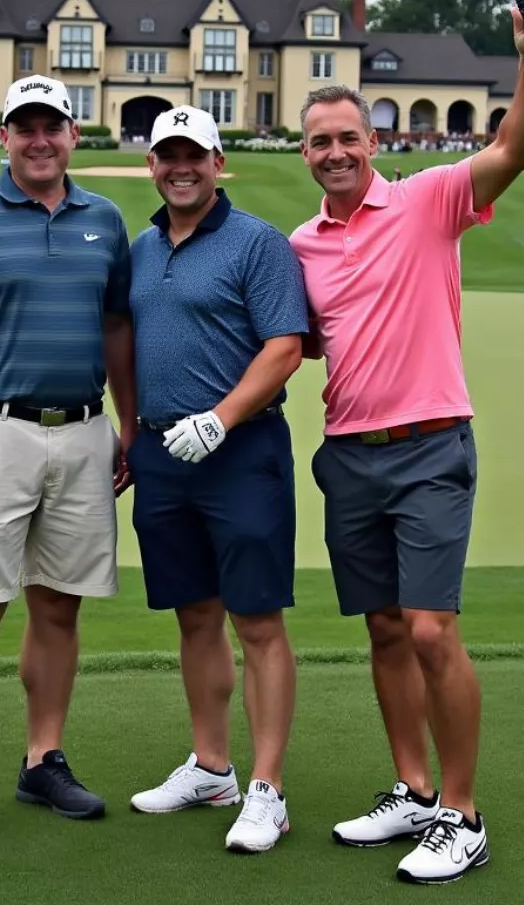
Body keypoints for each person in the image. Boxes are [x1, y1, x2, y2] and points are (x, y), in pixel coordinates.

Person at [288, 7, 524, 885]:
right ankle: (409, 789)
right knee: (382, 629)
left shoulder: (429, 199)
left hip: (431, 444)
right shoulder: (301, 246)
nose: (334, 152)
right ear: (306, 154)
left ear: (372, 142)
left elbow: (515, 149)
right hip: (348, 451)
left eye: (346, 138)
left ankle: (461, 811)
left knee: (432, 629)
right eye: (319, 141)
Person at [0, 73, 136, 850]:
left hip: (82, 430)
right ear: (3, 137)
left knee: (59, 604)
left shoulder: (106, 221)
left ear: (74, 134)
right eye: (24, 126)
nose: (39, 139)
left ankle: (43, 758)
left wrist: (128, 425)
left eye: (53, 126)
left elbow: (115, 331)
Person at [125, 106, 309, 854]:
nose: (181, 167)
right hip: (162, 455)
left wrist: (220, 419)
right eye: (168, 155)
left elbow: (285, 346)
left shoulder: (257, 242)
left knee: (257, 620)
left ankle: (267, 788)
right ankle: (212, 767)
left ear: (217, 161)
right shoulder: (139, 250)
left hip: (240, 452)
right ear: (152, 165)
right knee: (194, 614)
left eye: (194, 155)